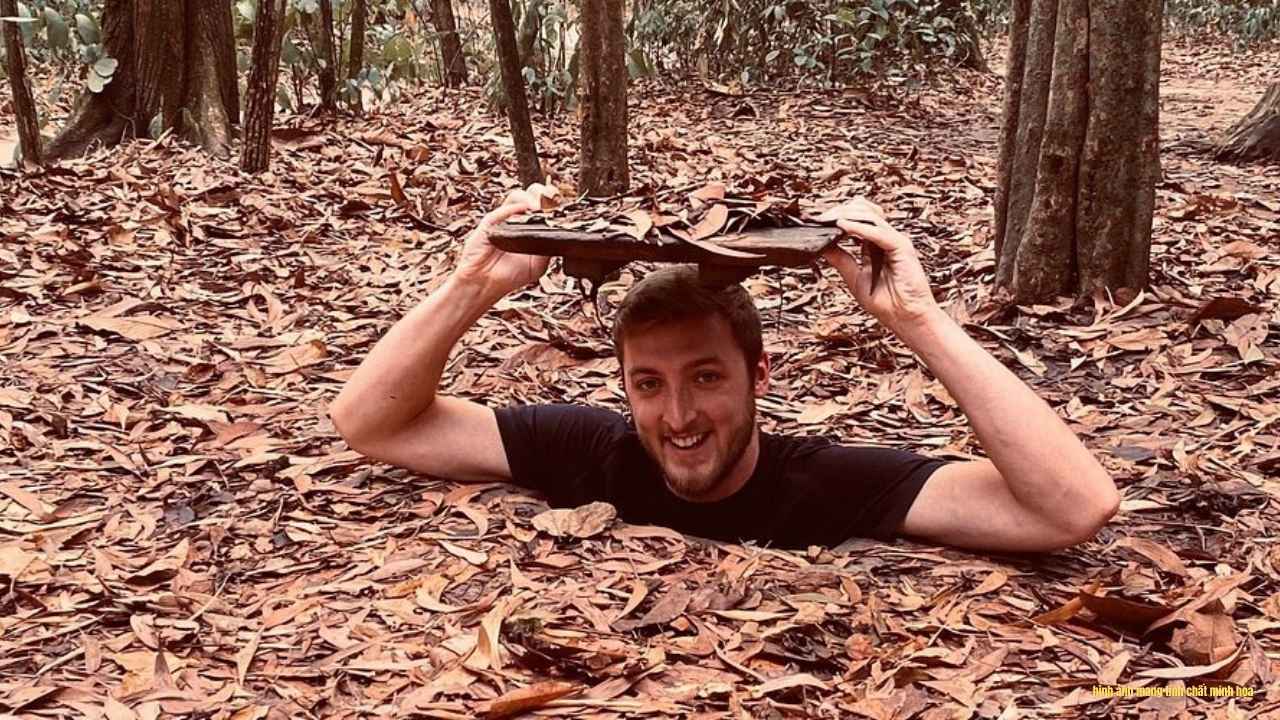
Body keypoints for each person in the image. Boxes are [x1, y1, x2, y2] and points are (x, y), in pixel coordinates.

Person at [329, 190, 1120, 552]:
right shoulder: (587, 447)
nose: (676, 416)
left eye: (706, 378)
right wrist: (473, 285)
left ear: (759, 375)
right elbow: (371, 422)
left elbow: (1069, 510)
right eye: (649, 383)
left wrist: (917, 320)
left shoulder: (825, 482)